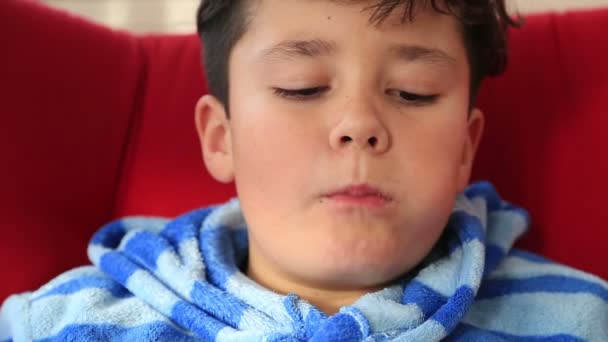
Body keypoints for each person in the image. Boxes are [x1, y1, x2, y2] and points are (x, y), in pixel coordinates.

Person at [1, 0, 607, 341]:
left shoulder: (581, 320)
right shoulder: (60, 323)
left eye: (413, 92)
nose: (359, 124)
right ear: (222, 137)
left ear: (466, 149)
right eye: (302, 88)